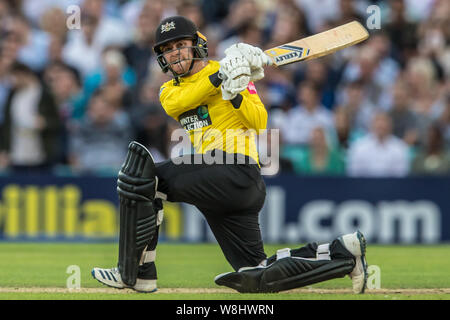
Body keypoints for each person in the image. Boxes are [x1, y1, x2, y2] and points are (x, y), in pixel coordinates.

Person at [92, 16, 368, 294]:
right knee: (257, 273)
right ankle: (343, 254)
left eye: (180, 44)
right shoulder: (170, 90)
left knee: (141, 177)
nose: (174, 52)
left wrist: (235, 92)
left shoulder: (234, 73)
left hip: (236, 171)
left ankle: (136, 273)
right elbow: (182, 102)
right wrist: (223, 76)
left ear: (197, 45)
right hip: (219, 186)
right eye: (167, 49)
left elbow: (259, 121)